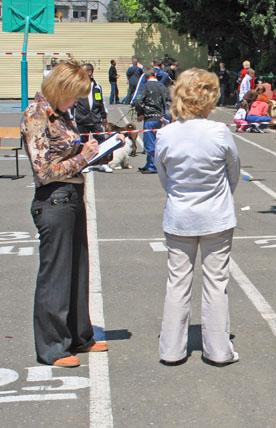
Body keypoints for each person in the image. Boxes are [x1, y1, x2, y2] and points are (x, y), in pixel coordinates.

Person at [21, 60, 121, 368]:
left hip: (72, 195)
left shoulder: (62, 114)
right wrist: (83, 157)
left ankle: (79, 336)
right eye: (73, 94)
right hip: (54, 199)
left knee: (78, 270)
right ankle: (53, 345)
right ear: (59, 88)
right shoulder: (37, 116)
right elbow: (45, 171)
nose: (76, 101)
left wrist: (90, 150)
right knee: (56, 276)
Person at [155, 68, 240, 366]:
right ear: (210, 98)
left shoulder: (165, 134)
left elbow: (163, 176)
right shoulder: (220, 132)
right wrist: (218, 196)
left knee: (177, 282)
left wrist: (181, 195)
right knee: (216, 283)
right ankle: (218, 350)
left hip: (179, 217)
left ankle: (171, 349)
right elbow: (233, 173)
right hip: (216, 216)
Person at [72, 63, 112, 173]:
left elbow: (101, 102)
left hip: (95, 119)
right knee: (82, 143)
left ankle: (103, 163)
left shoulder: (97, 87)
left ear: (89, 73)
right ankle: (84, 165)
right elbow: (72, 103)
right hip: (82, 120)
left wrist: (104, 117)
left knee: (101, 142)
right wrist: (71, 118)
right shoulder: (77, 87)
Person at [134, 67, 170, 174]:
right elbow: (167, 101)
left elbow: (138, 101)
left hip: (149, 117)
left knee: (149, 142)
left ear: (146, 77)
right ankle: (149, 163)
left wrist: (140, 113)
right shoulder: (162, 86)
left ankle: (152, 166)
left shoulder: (146, 86)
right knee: (157, 141)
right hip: (160, 118)